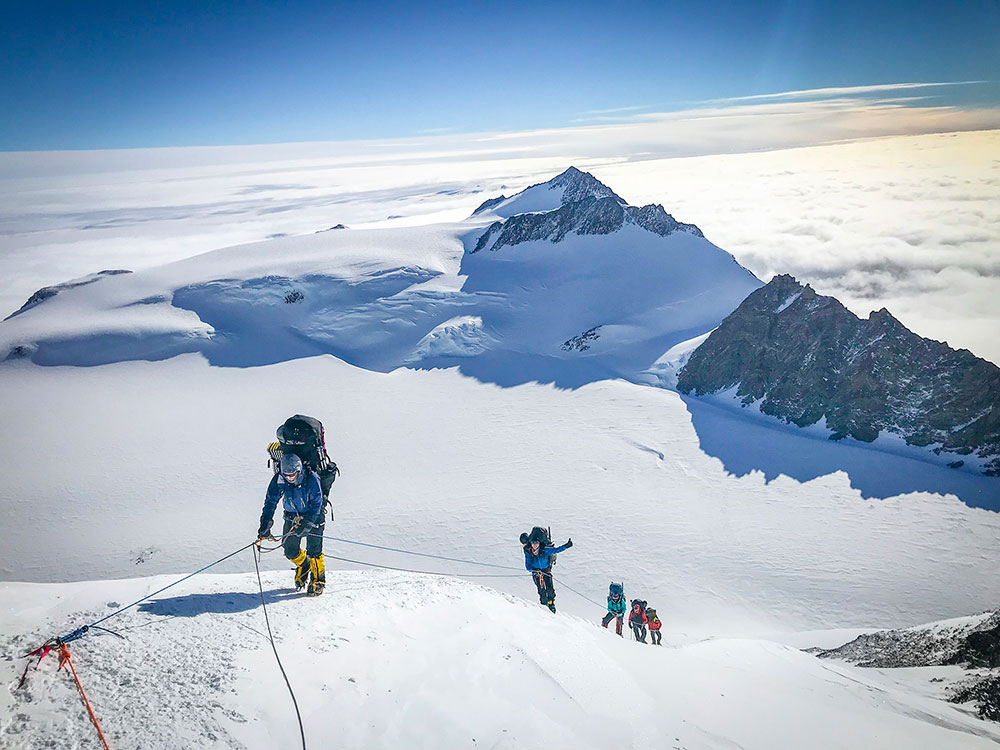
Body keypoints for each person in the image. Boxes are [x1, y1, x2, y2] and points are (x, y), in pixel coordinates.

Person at [257, 453, 326, 596]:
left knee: (314, 551)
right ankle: (304, 564)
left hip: (314, 517)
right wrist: (265, 522)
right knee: (289, 549)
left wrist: (308, 523)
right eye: (286, 474)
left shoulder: (311, 478)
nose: (289, 477)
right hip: (292, 517)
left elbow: (317, 503)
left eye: (292, 474)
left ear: (299, 471)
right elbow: (270, 501)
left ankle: (318, 581)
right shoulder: (279, 479)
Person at [275, 415, 339, 520]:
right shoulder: (313, 476)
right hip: (309, 515)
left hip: (292, 515)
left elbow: (271, 499)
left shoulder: (283, 477)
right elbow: (317, 500)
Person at [520, 527, 572, 613]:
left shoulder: (544, 550)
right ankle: (544, 605)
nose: (535, 545)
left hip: (546, 570)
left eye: (536, 543)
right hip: (536, 572)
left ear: (539, 543)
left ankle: (551, 603)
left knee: (550, 589)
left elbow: (556, 550)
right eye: (533, 543)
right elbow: (527, 564)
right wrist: (533, 570)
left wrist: (566, 546)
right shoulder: (528, 551)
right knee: (541, 590)